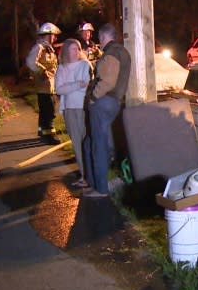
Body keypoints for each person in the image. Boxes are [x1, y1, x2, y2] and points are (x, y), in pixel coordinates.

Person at [82, 23, 131, 198]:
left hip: (103, 102)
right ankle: (94, 182)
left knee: (97, 145)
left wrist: (93, 98)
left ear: (103, 37)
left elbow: (108, 81)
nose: (99, 42)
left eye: (100, 39)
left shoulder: (112, 53)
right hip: (113, 102)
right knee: (92, 143)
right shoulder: (122, 51)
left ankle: (100, 188)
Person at [55, 39, 93, 188]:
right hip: (69, 109)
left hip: (82, 107)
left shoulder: (85, 65)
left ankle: (90, 174)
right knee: (76, 143)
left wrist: (70, 86)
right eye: (72, 49)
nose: (76, 52)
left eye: (77, 49)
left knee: (86, 141)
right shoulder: (62, 68)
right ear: (65, 51)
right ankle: (84, 175)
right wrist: (77, 84)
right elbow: (59, 89)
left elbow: (87, 85)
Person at [26, 22, 61, 144]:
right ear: (48, 35)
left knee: (45, 111)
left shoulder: (47, 48)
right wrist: (43, 70)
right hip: (45, 86)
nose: (55, 38)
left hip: (48, 86)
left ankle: (42, 132)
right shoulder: (40, 47)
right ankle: (49, 135)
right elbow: (31, 62)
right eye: (53, 35)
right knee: (49, 111)